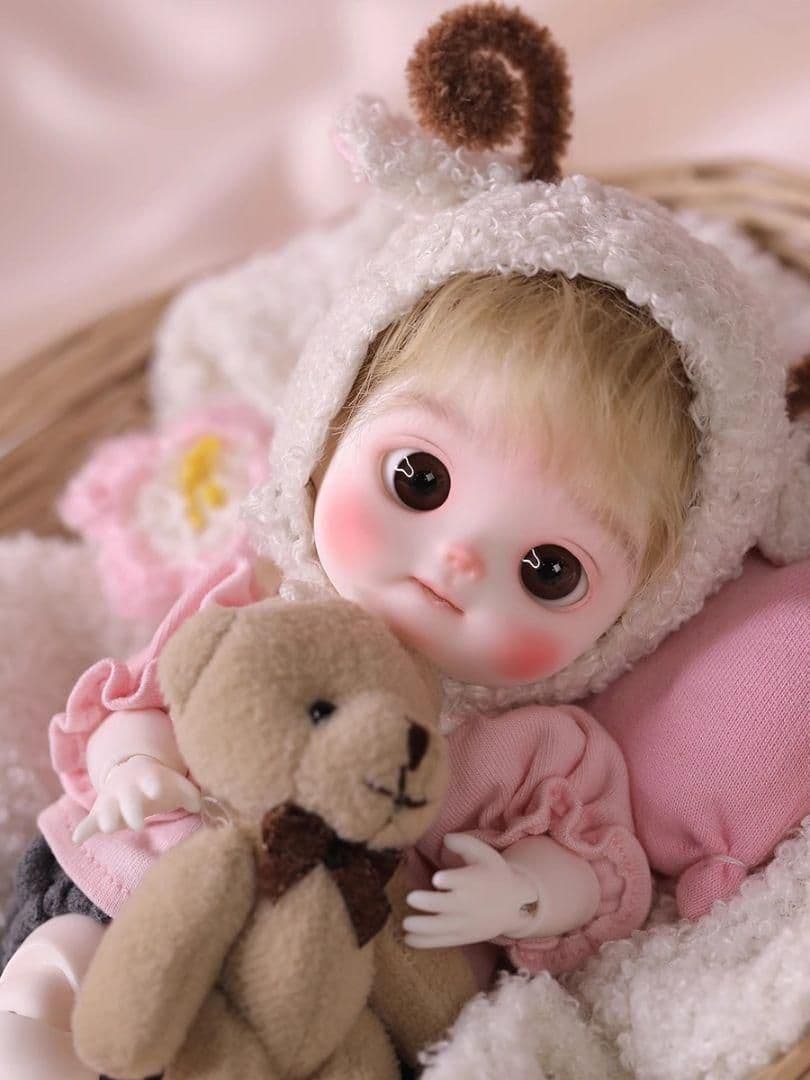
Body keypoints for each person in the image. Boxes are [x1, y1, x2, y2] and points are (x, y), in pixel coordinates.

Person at [1, 6, 806, 1078]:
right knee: (67, 957)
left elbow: (599, 875)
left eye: (549, 570)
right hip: (128, 888)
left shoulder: (537, 748)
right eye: (418, 480)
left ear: (642, 613)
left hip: (333, 999)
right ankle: (45, 1014)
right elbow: (141, 697)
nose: (459, 561)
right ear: (328, 428)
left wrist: (524, 892)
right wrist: (135, 766)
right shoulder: (262, 605)